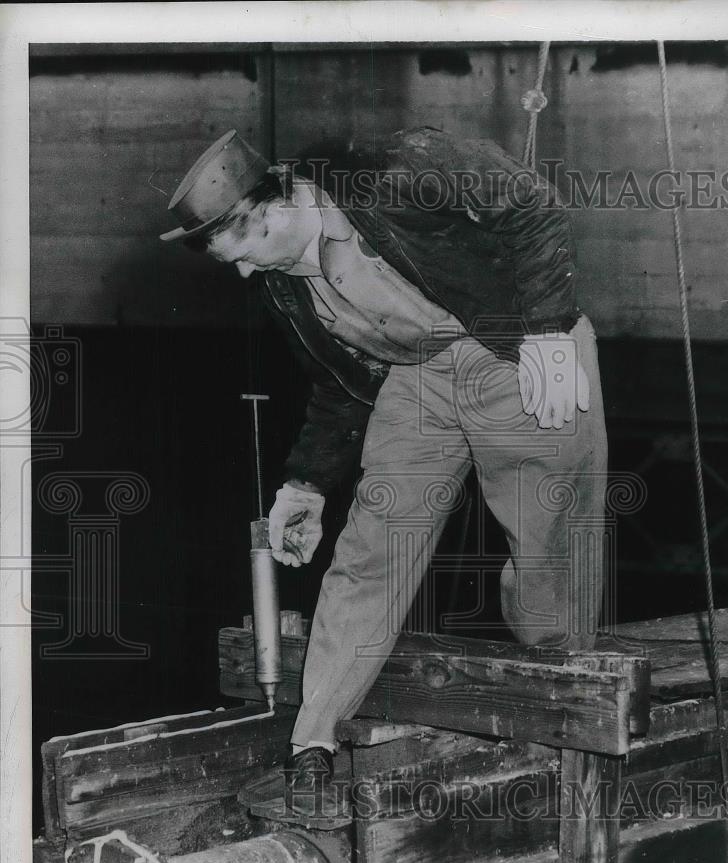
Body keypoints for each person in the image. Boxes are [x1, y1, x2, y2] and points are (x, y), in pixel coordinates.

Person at [161, 126, 608, 814]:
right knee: (370, 549)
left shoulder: (388, 167)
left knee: (546, 541)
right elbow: (337, 383)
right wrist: (304, 484)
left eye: (245, 249)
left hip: (513, 347)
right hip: (419, 376)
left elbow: (531, 202)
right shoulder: (286, 286)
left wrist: (548, 331)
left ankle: (567, 707)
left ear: (279, 205)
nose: (245, 274)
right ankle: (313, 740)